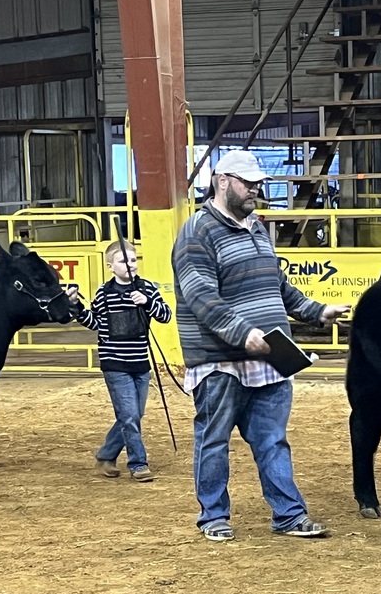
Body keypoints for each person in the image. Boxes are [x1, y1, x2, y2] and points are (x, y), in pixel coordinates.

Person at [171, 149, 350, 542]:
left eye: (257, 183)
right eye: (247, 182)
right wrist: (241, 333)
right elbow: (200, 295)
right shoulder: (196, 232)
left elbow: (277, 284)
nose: (256, 189)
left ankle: (288, 515)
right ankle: (213, 516)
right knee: (213, 440)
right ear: (222, 181)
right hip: (221, 361)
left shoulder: (255, 226)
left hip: (269, 358)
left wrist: (316, 311)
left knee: (273, 440)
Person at [67, 240, 172, 481]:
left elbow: (166, 315)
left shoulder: (147, 288)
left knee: (133, 415)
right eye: (123, 261)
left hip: (140, 363)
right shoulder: (104, 292)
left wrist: (148, 303)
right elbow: (94, 322)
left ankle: (106, 455)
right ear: (110, 266)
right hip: (114, 362)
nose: (130, 265)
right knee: (130, 415)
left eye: (133, 260)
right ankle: (138, 463)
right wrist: (75, 306)